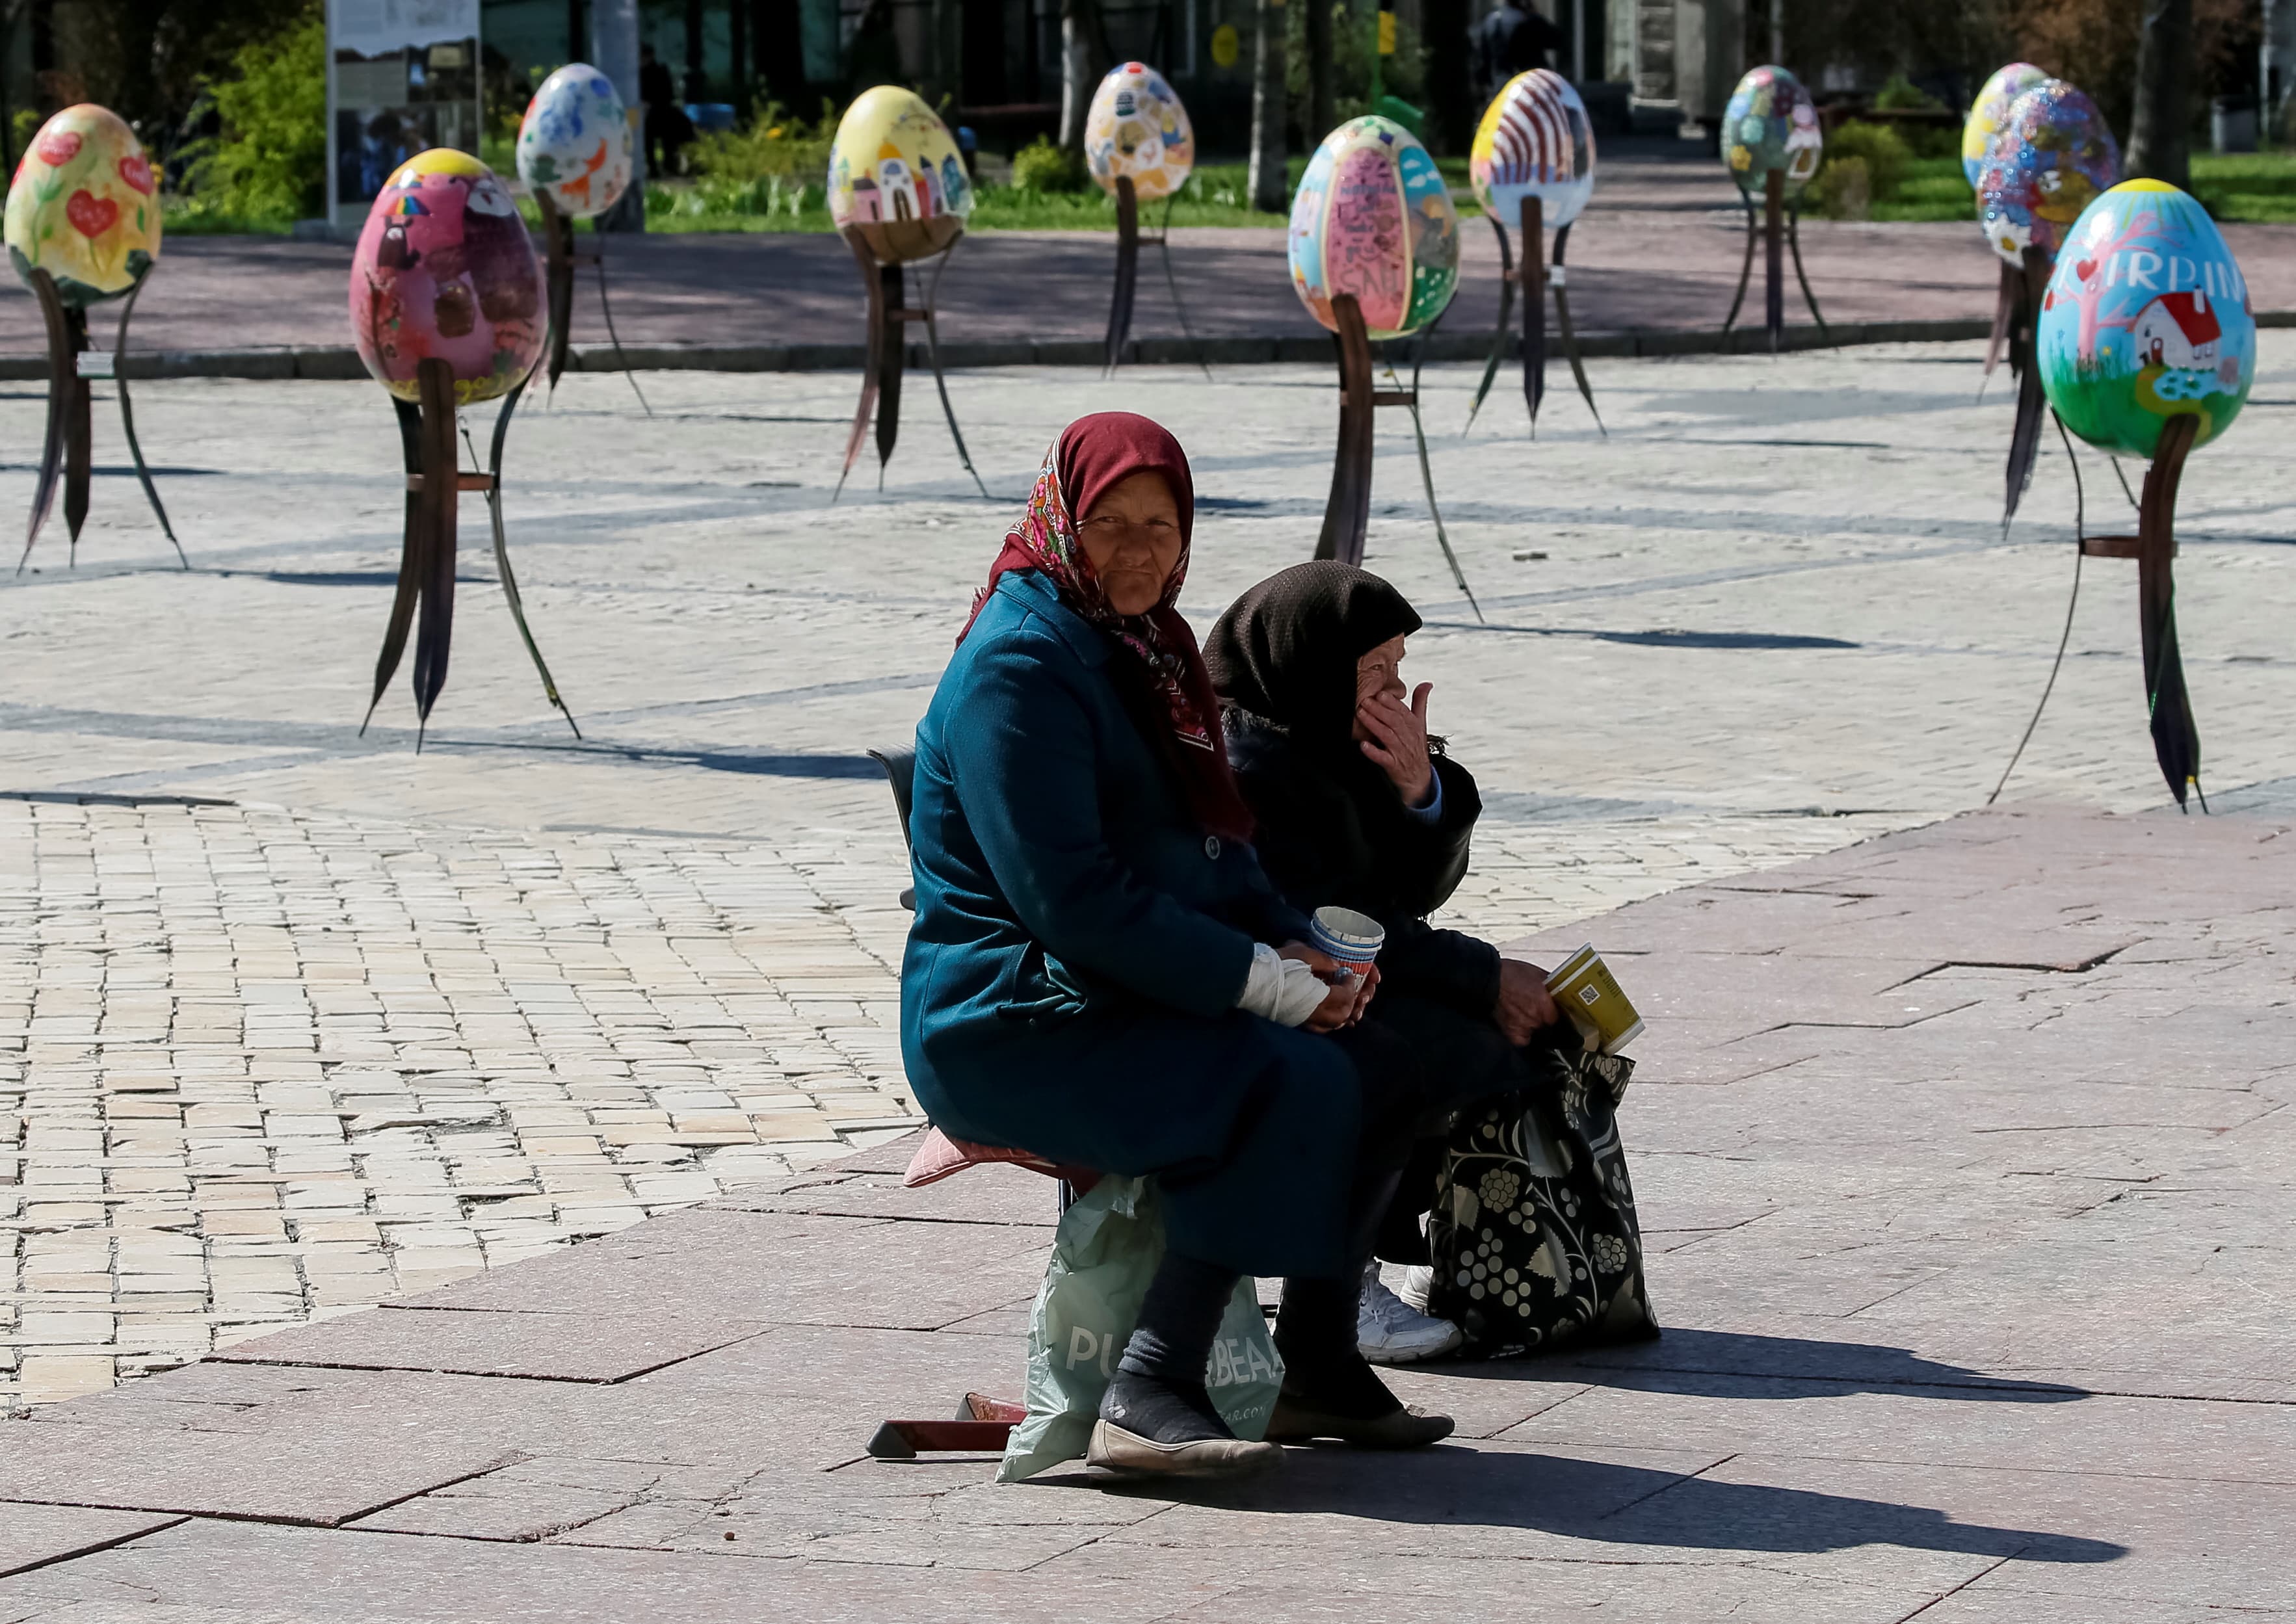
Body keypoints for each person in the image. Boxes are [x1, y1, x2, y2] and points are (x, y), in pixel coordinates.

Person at [899, 415, 1456, 1482]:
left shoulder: (1142, 647)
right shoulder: (1022, 663)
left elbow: (1212, 848)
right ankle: (1147, 1382)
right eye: (1110, 524)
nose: (1140, 549)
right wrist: (1265, 985)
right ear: (1064, 523)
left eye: (1161, 524)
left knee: (1390, 1058)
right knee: (1281, 1075)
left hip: (1117, 984)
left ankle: (1318, 1362)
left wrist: (1295, 940)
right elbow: (1073, 899)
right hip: (1012, 1018)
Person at [1206, 562, 1563, 1363]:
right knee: (1430, 1049)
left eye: (1398, 668)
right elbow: (1329, 920)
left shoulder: (1331, 739)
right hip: (1257, 988)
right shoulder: (1249, 763)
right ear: (1309, 664)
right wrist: (1483, 974)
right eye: (1373, 671)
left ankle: (1439, 1254)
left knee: (1504, 1039)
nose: (1394, 691)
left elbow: (1413, 894)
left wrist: (1420, 790)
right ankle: (1336, 1285)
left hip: (1341, 974)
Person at [1473, 1, 1566, 101]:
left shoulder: (1491, 21)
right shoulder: (1530, 20)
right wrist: (1535, 14)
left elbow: (1483, 64)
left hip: (1499, 91)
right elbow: (1558, 41)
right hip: (1529, 91)